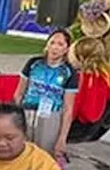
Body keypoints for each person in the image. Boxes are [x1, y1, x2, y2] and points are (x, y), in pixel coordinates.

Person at [13, 28, 77, 158]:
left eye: (60, 44)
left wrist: (62, 138)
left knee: (43, 158)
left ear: (66, 49)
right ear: (47, 45)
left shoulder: (68, 72)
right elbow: (19, 93)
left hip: (51, 116)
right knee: (21, 155)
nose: (55, 47)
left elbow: (68, 109)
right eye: (52, 43)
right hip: (27, 113)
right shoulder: (33, 64)